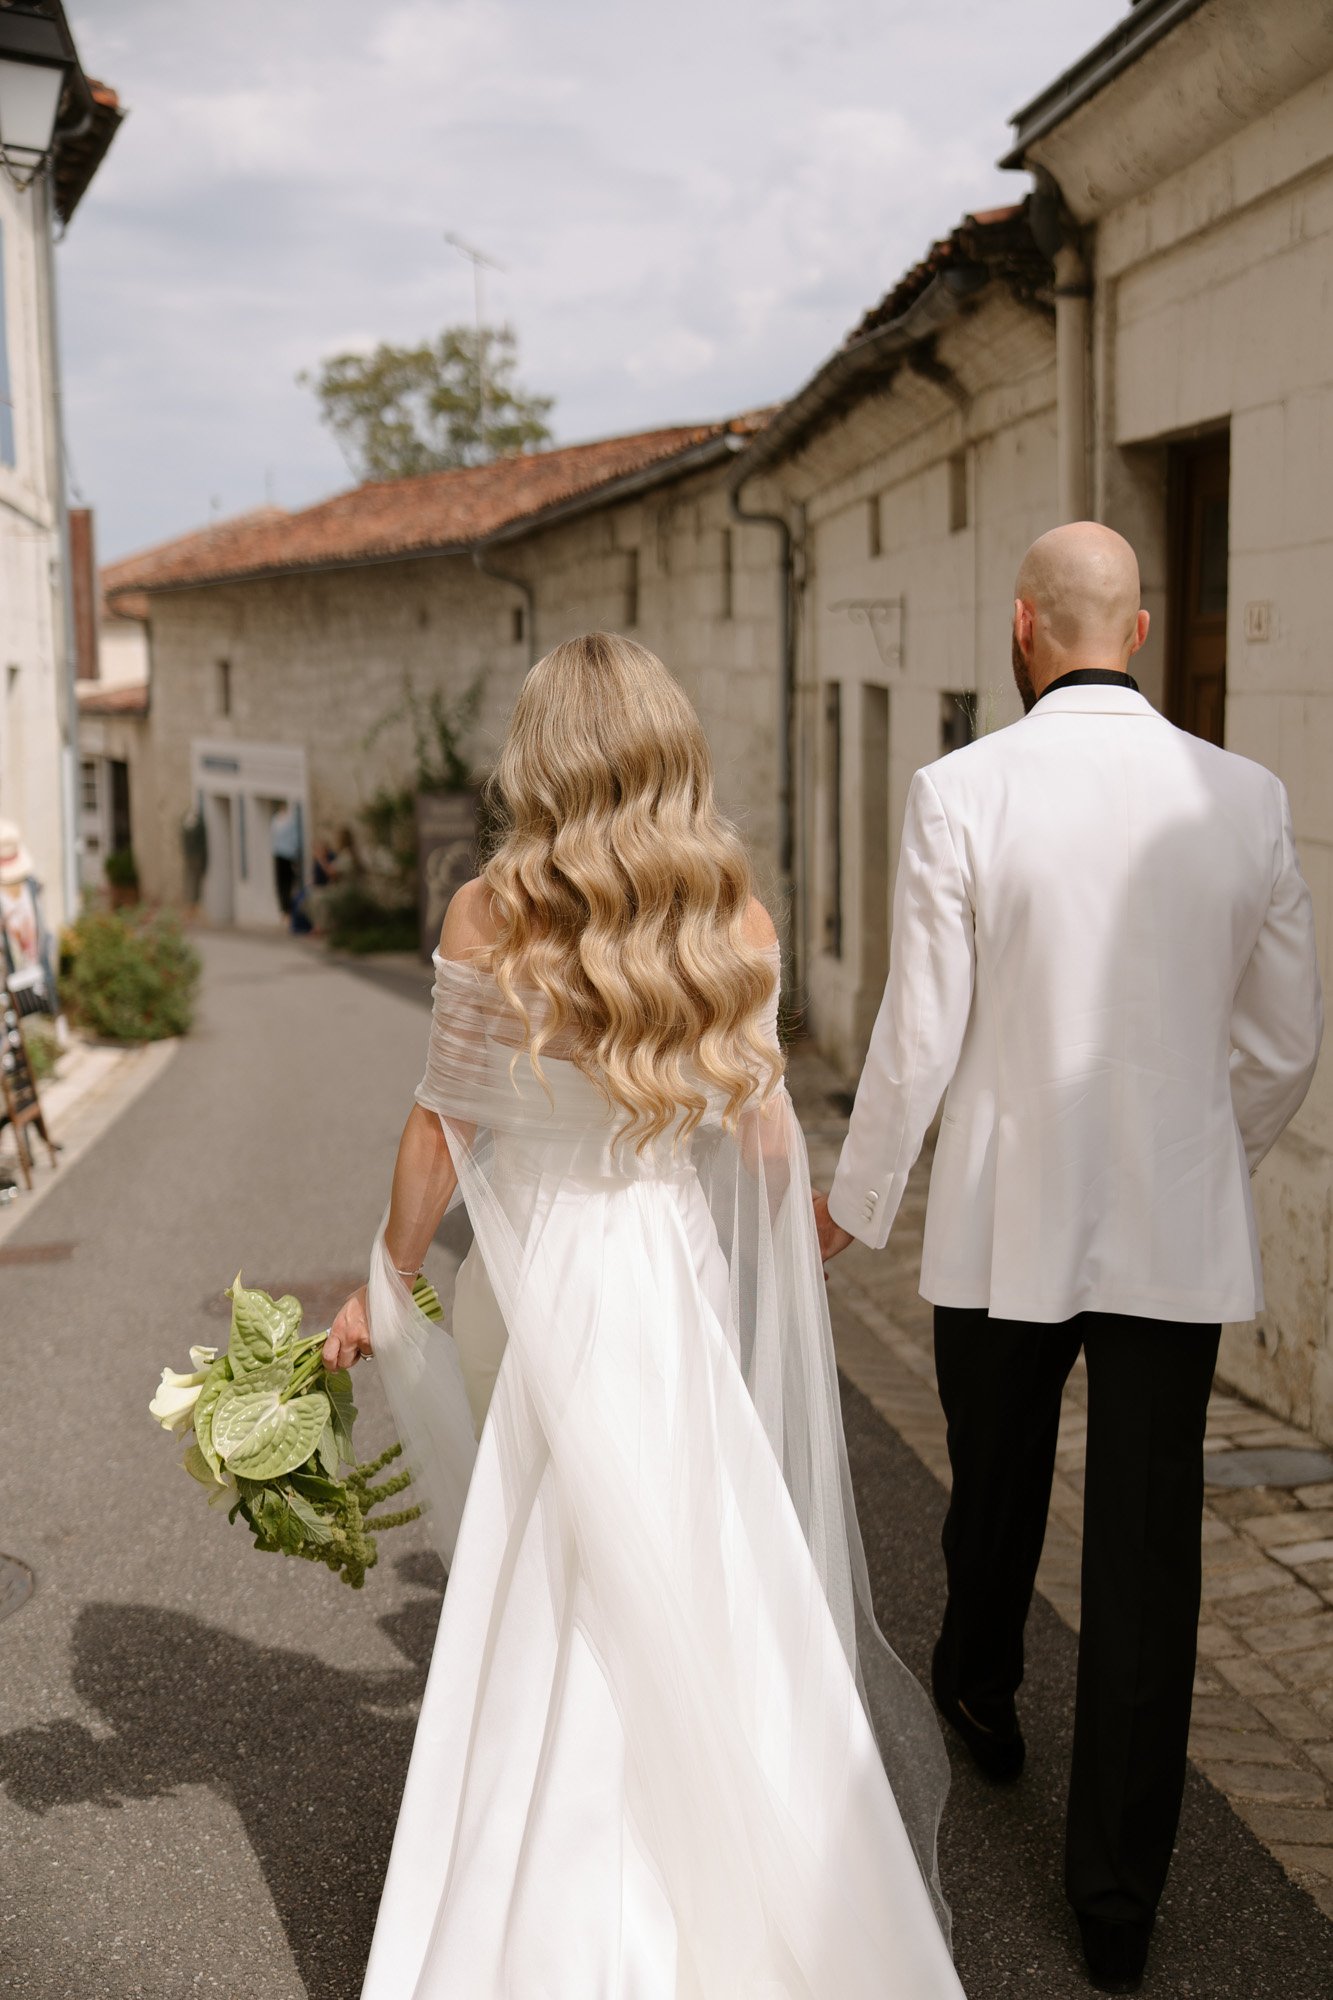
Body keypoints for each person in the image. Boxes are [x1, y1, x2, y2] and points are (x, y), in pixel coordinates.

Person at [326, 633, 965, 2000]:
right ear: (670, 745)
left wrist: (387, 1278)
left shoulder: (488, 912)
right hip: (666, 1271)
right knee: (696, 1550)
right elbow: (772, 1143)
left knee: (550, 1567)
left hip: (545, 1266)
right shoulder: (729, 915)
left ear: (538, 753)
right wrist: (795, 1246)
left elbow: (440, 1125)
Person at [813, 524, 1322, 1993]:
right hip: (1170, 1226)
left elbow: (918, 1031)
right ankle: (1115, 1903)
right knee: (1148, 1555)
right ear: (1143, 631)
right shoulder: (1247, 797)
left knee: (994, 1477)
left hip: (999, 1214)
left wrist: (857, 1196)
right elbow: (1284, 1045)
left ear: (1025, 626)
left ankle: (977, 1688)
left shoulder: (959, 790)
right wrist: (1185, 1159)